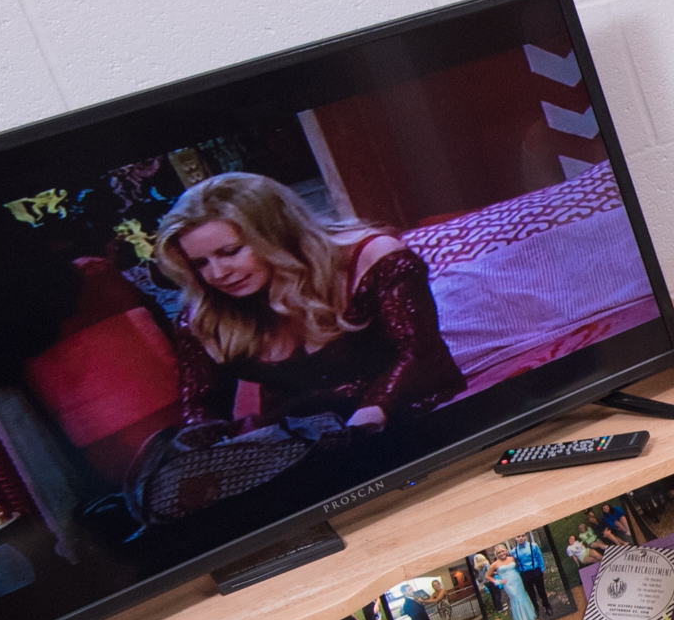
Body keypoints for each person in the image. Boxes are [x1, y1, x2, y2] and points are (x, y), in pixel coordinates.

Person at [156, 171, 459, 440]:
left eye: (230, 252)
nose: (217, 274)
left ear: (277, 234)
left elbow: (419, 353)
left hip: (408, 413)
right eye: (200, 263)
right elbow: (199, 408)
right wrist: (206, 447)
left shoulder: (373, 259)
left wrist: (372, 413)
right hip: (300, 441)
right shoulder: (205, 311)